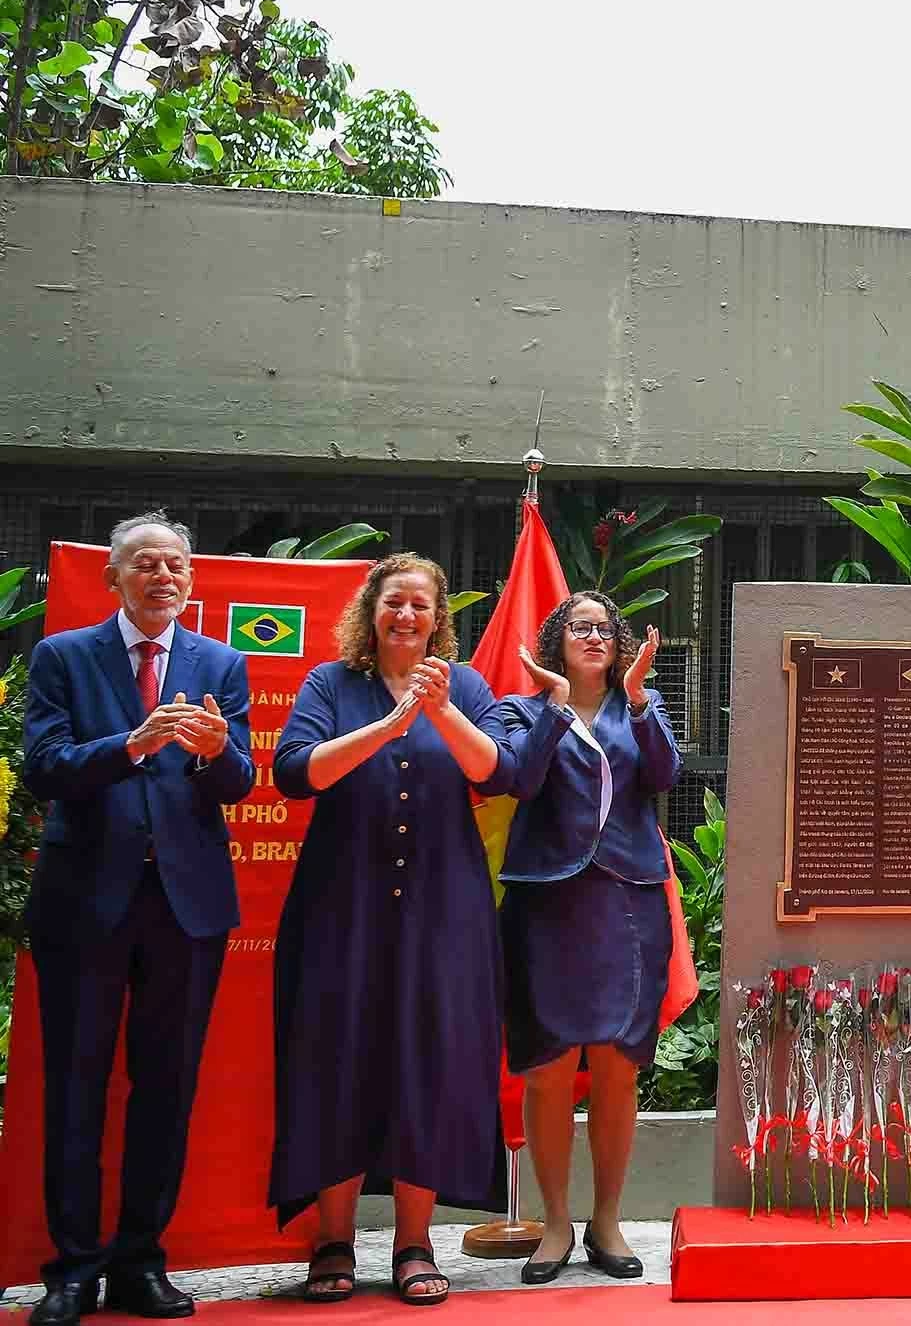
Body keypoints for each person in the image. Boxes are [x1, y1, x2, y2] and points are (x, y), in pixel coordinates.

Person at [20, 512, 254, 1326]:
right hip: (85, 903)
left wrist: (219, 750)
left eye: (176, 566)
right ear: (114, 578)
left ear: (190, 582)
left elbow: (238, 783)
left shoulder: (220, 663)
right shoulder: (64, 656)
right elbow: (43, 769)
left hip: (185, 908)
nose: (163, 576)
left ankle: (140, 1262)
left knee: (167, 1090)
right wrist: (130, 743)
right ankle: (72, 1270)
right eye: (145, 563)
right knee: (76, 1090)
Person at [270, 554, 514, 1307]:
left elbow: (502, 769)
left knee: (429, 1063)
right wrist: (388, 725)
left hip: (444, 909)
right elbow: (294, 771)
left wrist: (439, 712)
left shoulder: (464, 685)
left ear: (438, 618)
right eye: (394, 602)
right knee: (336, 1058)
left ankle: (414, 1242)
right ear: (370, 610)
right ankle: (334, 1240)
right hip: (342, 905)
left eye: (420, 606)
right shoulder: (329, 685)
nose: (406, 616)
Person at [495, 591, 679, 1284]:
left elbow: (663, 776)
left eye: (605, 628)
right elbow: (521, 778)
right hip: (546, 904)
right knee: (547, 1067)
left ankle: (606, 1219)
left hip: (627, 904)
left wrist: (636, 703)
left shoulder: (645, 704)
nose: (594, 637)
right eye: (581, 627)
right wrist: (555, 706)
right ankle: (554, 1223)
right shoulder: (524, 709)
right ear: (556, 639)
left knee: (616, 1066)